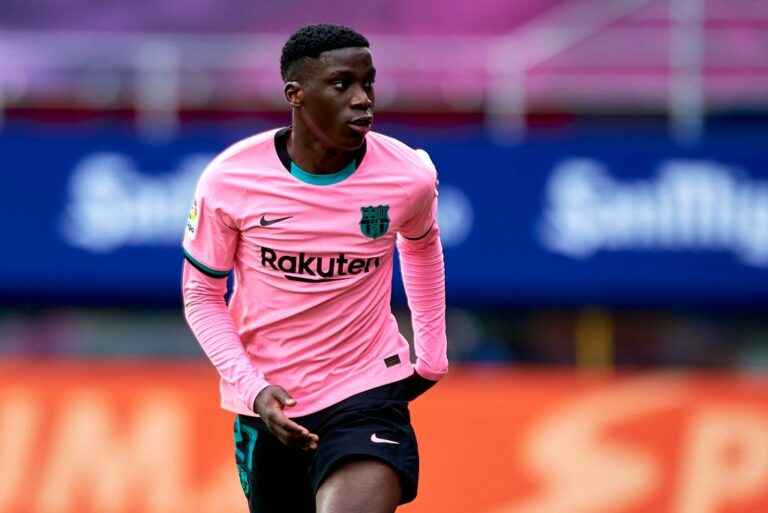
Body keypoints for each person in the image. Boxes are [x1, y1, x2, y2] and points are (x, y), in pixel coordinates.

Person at [182, 23, 447, 513]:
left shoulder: (408, 176)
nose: (363, 99)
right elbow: (201, 294)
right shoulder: (230, 179)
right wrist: (254, 389)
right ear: (296, 95)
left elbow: (422, 245)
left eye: (368, 83)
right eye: (343, 84)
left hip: (367, 390)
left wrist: (432, 354)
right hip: (269, 405)